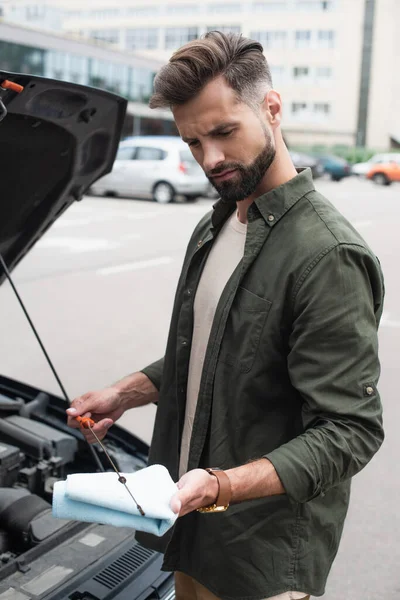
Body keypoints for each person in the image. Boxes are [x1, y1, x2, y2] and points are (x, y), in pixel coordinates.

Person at [67, 32, 385, 600]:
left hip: (260, 560)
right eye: (192, 142)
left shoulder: (328, 255)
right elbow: (218, 350)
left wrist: (219, 486)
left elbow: (350, 432)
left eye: (222, 132)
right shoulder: (215, 225)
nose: (209, 159)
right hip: (191, 528)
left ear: (272, 108)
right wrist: (128, 392)